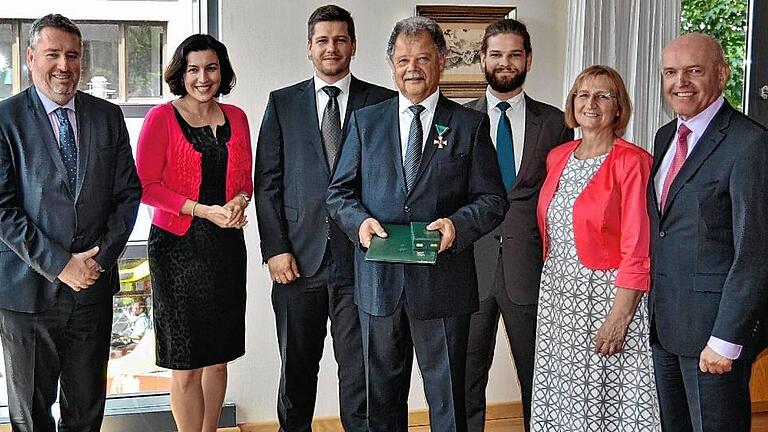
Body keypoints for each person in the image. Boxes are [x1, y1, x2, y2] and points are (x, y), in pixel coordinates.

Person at [327, 16, 508, 432]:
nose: (413, 68)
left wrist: (457, 226)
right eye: (403, 59)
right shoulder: (365, 122)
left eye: (423, 58)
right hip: (379, 287)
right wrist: (361, 224)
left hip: (444, 288)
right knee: (382, 404)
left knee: (449, 403)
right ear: (391, 63)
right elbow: (339, 194)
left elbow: (493, 200)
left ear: (440, 61)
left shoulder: (469, 125)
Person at [254, 5, 394, 431]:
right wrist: (275, 250)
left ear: (353, 46)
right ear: (308, 49)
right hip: (298, 262)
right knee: (297, 372)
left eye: (339, 39)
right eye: (322, 40)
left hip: (362, 262)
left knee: (361, 375)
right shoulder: (282, 104)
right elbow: (267, 183)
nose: (331, 47)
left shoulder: (383, 103)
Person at [0, 14, 141, 432]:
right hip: (27, 293)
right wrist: (62, 264)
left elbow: (128, 194)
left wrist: (96, 261)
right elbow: (3, 209)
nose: (65, 65)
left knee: (86, 409)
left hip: (91, 292)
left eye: (73, 55)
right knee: (31, 411)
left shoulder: (107, 117)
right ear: (30, 58)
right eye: (53, 54)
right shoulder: (5, 120)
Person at [530, 65, 660, 431]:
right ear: (572, 104)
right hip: (558, 297)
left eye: (604, 95)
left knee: (606, 397)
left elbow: (638, 246)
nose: (592, 103)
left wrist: (620, 318)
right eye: (583, 95)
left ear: (618, 108)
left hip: (606, 299)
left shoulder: (634, 162)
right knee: (562, 391)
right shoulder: (558, 157)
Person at [649, 33, 768, 432]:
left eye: (693, 71)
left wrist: (726, 338)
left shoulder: (750, 144)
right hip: (666, 327)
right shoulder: (666, 136)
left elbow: (755, 251)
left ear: (722, 74)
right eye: (671, 72)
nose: (680, 81)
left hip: (713, 334)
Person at [136, 34, 252, 432]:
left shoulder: (237, 117)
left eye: (212, 68)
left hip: (225, 248)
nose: (203, 78)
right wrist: (203, 210)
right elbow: (146, 186)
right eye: (194, 69)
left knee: (218, 358)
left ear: (223, 71)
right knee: (185, 364)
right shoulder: (161, 119)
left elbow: (245, 181)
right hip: (177, 250)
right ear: (180, 74)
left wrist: (238, 203)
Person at [462, 19, 572, 432]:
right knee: (466, 376)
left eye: (513, 54)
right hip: (471, 268)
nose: (504, 63)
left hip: (532, 268)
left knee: (538, 378)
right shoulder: (458, 120)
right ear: (482, 60)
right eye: (496, 54)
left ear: (528, 59)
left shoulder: (558, 123)